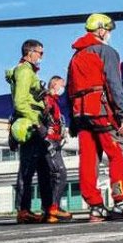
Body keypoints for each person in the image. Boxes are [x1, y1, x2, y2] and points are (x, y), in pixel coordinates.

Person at [67, 13, 123, 221]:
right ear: (100, 30)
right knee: (118, 154)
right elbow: (114, 85)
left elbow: (69, 90)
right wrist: (121, 115)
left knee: (89, 160)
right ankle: (120, 201)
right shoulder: (106, 52)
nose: (109, 34)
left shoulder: (76, 56)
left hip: (80, 115)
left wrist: (72, 120)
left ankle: (95, 207)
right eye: (107, 30)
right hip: (101, 112)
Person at [7, 39, 52, 224]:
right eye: (40, 53)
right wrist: (37, 123)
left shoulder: (27, 71)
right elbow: (20, 102)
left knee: (42, 168)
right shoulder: (25, 71)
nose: (42, 57)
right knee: (27, 170)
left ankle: (45, 208)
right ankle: (24, 210)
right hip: (30, 125)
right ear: (30, 52)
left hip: (33, 122)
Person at [42, 75, 72, 222]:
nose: (63, 88)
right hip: (50, 143)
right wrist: (45, 131)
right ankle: (54, 208)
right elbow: (40, 116)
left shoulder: (54, 101)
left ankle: (51, 210)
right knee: (60, 174)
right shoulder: (48, 100)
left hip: (55, 142)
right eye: (61, 85)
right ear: (54, 84)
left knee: (55, 175)